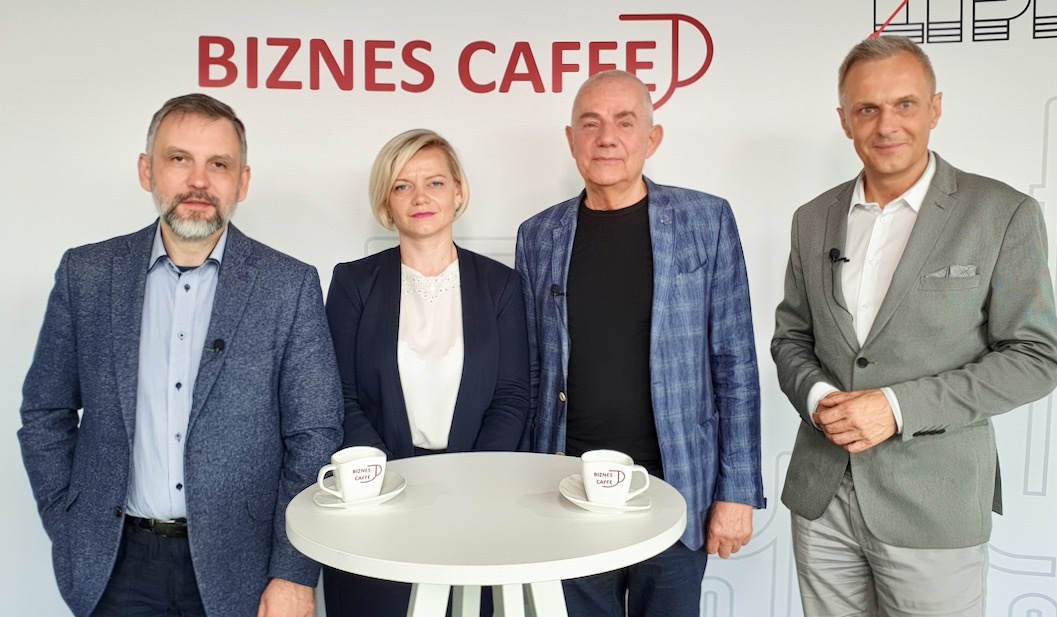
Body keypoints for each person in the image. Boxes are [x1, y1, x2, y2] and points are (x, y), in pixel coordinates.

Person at [17, 93, 343, 617]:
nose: (198, 181)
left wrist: (293, 571)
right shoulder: (88, 274)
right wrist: (68, 519)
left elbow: (314, 436)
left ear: (242, 182)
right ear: (147, 170)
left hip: (244, 568)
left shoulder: (289, 286)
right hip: (113, 567)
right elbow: (45, 411)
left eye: (219, 164)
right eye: (178, 159)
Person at [771, 36, 1057, 616]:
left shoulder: (1002, 213)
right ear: (845, 120)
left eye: (904, 104)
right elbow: (792, 337)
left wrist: (896, 408)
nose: (887, 125)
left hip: (936, 503)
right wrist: (820, 397)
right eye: (867, 109)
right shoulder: (811, 219)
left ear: (935, 108)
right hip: (822, 497)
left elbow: (1035, 357)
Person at [515, 70, 765, 616]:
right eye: (591, 124)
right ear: (571, 140)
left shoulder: (706, 221)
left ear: (652, 138)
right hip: (569, 490)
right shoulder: (538, 235)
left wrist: (739, 490)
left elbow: (736, 364)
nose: (607, 137)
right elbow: (533, 369)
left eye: (625, 123)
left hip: (676, 489)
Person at [322, 128, 529, 616]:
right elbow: (337, 396)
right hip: (375, 502)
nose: (420, 197)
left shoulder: (501, 285)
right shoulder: (353, 282)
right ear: (386, 202)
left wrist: (467, 484)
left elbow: (512, 397)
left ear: (458, 192)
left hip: (476, 504)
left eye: (435, 182)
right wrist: (389, 481)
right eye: (402, 185)